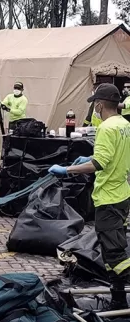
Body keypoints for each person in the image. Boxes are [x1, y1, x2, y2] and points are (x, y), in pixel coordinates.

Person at [48, 83, 130, 310]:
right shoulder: (125, 125)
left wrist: (67, 170)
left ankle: (120, 293)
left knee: (115, 254)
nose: (94, 107)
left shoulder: (106, 128)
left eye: (95, 103)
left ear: (100, 104)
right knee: (113, 248)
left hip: (109, 198)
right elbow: (112, 157)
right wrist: (89, 159)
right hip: (122, 194)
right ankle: (118, 298)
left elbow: (99, 163)